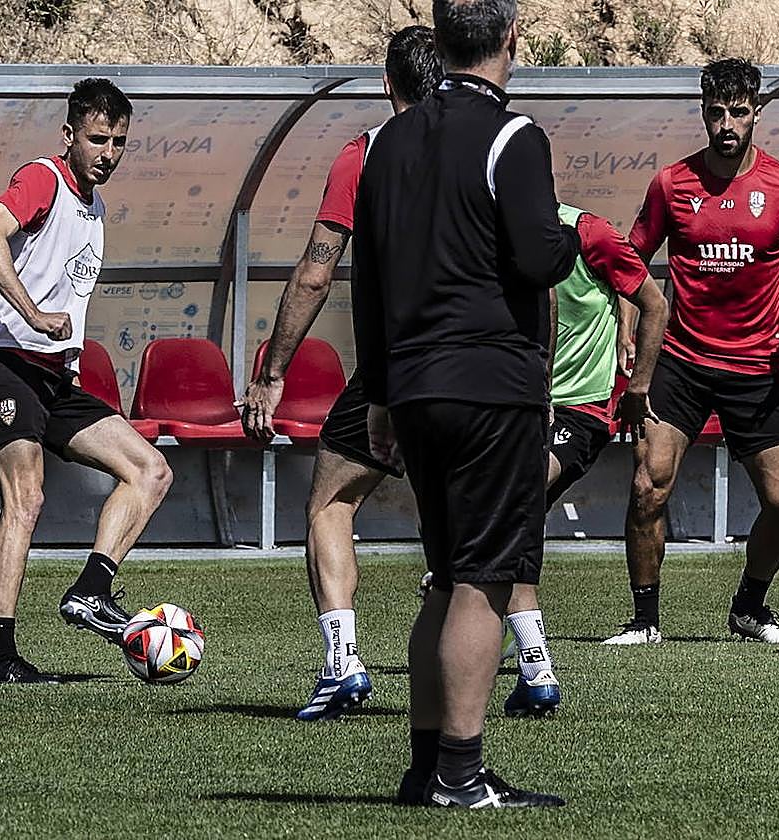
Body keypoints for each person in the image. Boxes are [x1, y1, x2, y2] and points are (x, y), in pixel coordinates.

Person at [352, 0, 581, 808]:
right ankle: (460, 772)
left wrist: (378, 394)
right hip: (490, 384)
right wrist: (574, 237)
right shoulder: (515, 136)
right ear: (513, 37)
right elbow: (539, 256)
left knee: (447, 577)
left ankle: (425, 769)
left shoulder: (386, 142)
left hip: (414, 384)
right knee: (485, 579)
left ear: (440, 38)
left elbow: (368, 280)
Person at [242, 26, 448, 723]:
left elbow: (315, 273)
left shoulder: (364, 156)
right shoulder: (485, 150)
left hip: (399, 363)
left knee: (331, 502)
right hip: (477, 366)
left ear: (387, 84)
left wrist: (273, 371)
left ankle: (343, 664)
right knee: (467, 519)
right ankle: (532, 662)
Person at [609, 57, 779, 646]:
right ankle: (644, 621)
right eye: (715, 113)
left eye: (737, 112)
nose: (726, 124)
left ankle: (750, 608)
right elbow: (631, 262)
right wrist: (627, 328)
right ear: (703, 114)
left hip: (757, 366)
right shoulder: (671, 184)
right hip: (680, 362)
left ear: (756, 113)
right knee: (647, 486)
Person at [0, 79, 173, 683]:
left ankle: (91, 591)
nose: (108, 153)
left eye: (119, 142)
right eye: (98, 139)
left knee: (151, 471)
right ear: (69, 135)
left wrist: (67, 353)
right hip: (1, 360)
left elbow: (66, 290)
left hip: (52, 374)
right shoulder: (43, 178)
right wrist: (32, 314)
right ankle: (0, 657)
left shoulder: (94, 208)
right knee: (25, 498)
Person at [497, 201, 667, 713]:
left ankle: (530, 658)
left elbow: (654, 304)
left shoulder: (589, 233)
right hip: (517, 406)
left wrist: (637, 385)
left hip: (582, 408)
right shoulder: (486, 227)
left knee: (515, 497)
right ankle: (518, 649)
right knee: (509, 519)